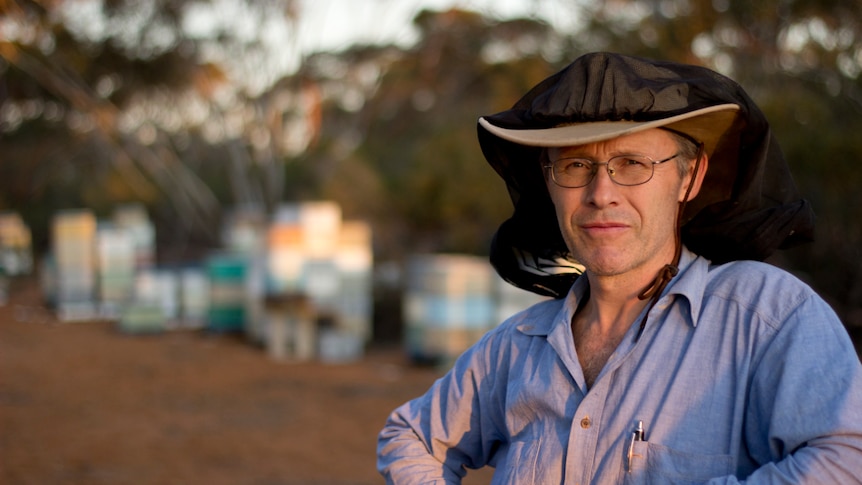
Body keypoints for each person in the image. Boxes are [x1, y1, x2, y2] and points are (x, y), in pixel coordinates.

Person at [377, 52, 862, 484]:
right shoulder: (516, 345)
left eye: (631, 163)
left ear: (688, 177)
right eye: (574, 166)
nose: (601, 193)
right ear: (548, 184)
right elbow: (408, 438)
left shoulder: (766, 318)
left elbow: (847, 456)